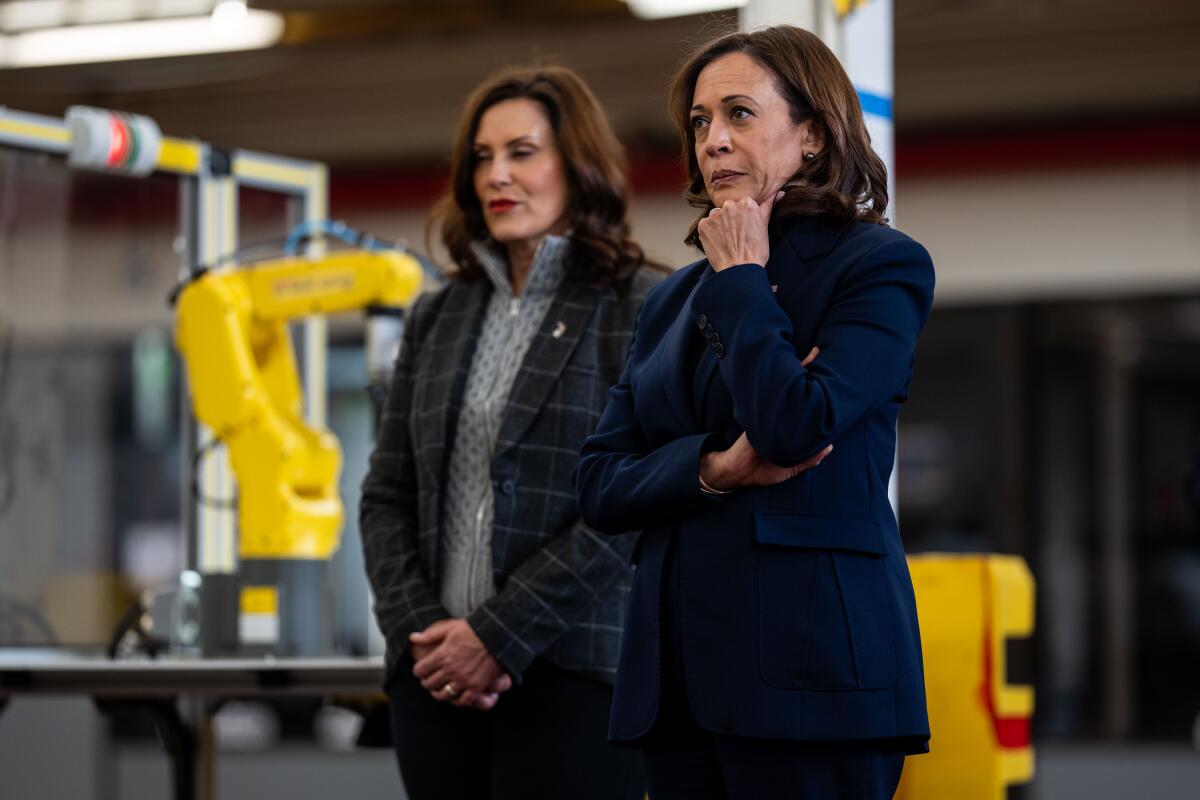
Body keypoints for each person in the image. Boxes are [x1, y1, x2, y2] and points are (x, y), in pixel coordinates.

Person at [574, 25, 934, 800]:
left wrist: (742, 275)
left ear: (811, 133)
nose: (714, 141)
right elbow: (600, 481)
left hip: (812, 681)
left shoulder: (880, 265)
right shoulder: (672, 297)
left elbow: (794, 426)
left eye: (739, 113)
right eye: (700, 123)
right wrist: (712, 468)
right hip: (674, 687)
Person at [360, 65, 659, 800]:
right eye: (482, 157)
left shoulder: (642, 302)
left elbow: (634, 506)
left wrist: (497, 634)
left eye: (522, 151)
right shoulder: (436, 315)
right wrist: (424, 636)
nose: (498, 174)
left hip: (576, 676)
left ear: (578, 164)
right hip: (434, 686)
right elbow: (385, 497)